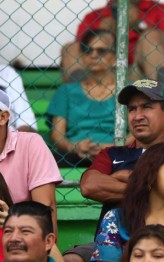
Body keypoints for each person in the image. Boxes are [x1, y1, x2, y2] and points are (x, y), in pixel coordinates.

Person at [64, 79, 164, 262]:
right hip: (111, 244)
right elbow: (89, 186)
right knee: (71, 261)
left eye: (147, 107)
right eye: (132, 109)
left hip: (162, 242)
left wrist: (122, 178)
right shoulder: (111, 154)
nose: (138, 116)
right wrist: (146, 186)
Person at [0, 83, 63, 227]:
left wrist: (12, 224)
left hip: (17, 241)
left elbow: (45, 214)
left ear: (3, 117)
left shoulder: (30, 144)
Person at [60, 0, 164, 95]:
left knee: (151, 37)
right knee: (71, 48)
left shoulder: (161, 10)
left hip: (143, 74)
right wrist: (105, 31)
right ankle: (78, 96)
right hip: (103, 74)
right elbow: (81, 51)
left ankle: (163, 98)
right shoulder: (94, 16)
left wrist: (139, 24)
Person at [47, 29, 117, 167]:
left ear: (115, 57)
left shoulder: (128, 92)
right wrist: (74, 147)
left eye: (101, 51)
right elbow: (57, 135)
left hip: (117, 153)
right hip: (74, 155)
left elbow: (135, 134)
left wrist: (113, 147)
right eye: (87, 50)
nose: (93, 55)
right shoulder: (66, 91)